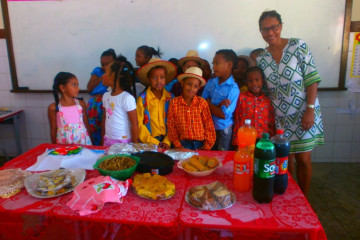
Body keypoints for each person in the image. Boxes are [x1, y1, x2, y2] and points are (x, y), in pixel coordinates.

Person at [257, 10, 324, 196]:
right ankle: (289, 198)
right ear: (260, 31)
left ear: (281, 26)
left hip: (304, 112)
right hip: (281, 117)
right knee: (285, 161)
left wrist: (310, 110)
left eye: (274, 27)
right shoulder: (262, 58)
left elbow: (312, 79)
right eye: (265, 29)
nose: (270, 33)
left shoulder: (298, 45)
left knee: (303, 160)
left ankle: (305, 199)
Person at [167, 67, 216, 150]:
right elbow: (171, 126)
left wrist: (207, 146)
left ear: (199, 88)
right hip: (182, 144)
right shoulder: (174, 103)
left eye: (195, 86)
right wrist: (177, 145)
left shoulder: (202, 103)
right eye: (189, 84)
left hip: (200, 143)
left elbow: (208, 125)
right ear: (182, 83)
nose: (191, 89)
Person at [202, 49, 240, 151]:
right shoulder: (211, 82)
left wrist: (208, 103)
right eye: (213, 63)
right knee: (208, 155)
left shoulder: (233, 88)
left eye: (217, 63)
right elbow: (200, 104)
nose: (213, 67)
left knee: (222, 156)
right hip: (208, 127)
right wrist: (217, 105)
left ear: (229, 65)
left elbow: (223, 115)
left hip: (224, 129)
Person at [136, 58, 177, 150]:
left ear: (166, 79)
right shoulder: (142, 99)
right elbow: (139, 124)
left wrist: (167, 141)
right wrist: (155, 142)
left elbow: (174, 122)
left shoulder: (171, 98)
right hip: (149, 142)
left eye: (162, 77)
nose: (159, 81)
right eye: (154, 78)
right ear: (148, 79)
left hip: (168, 141)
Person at [232, 66, 275, 148]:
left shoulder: (267, 100)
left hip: (263, 140)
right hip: (245, 139)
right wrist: (236, 140)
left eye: (257, 80)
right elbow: (237, 119)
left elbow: (271, 122)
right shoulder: (241, 98)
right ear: (246, 82)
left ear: (263, 81)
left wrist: (271, 139)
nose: (254, 84)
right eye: (250, 81)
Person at [101, 55, 139, 146]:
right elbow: (105, 119)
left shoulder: (127, 98)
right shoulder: (106, 96)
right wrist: (103, 138)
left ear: (113, 76)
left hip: (123, 142)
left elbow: (134, 124)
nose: (103, 75)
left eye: (106, 72)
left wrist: (135, 145)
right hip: (108, 140)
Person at [48, 72, 92, 145]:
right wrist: (54, 148)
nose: (77, 88)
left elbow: (86, 125)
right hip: (64, 145)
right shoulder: (53, 108)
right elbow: (53, 130)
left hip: (83, 143)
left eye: (78, 85)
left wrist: (92, 143)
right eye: (74, 85)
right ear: (62, 88)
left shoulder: (81, 104)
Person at [86, 49, 116, 146]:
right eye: (102, 64)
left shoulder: (117, 72)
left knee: (107, 130)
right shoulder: (97, 71)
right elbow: (89, 88)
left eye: (108, 64)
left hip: (109, 104)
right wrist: (104, 75)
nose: (104, 66)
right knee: (93, 130)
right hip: (95, 105)